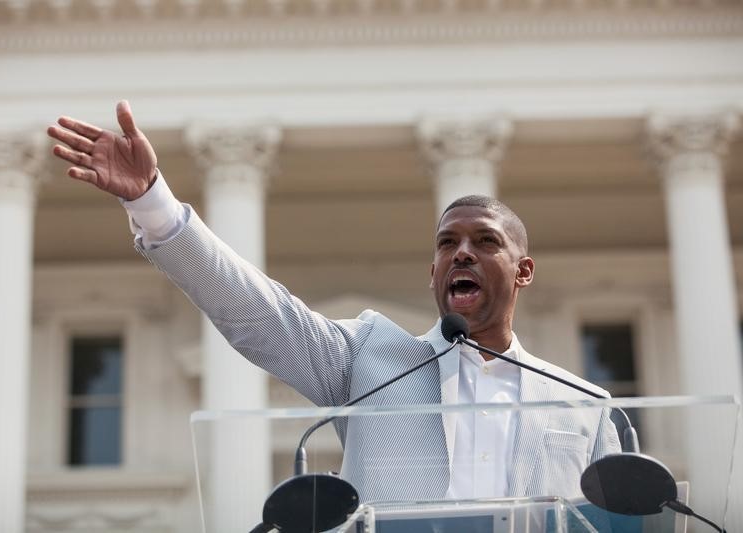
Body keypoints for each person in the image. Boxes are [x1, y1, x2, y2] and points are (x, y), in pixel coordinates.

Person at [47, 101, 621, 503]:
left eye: (485, 242)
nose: (462, 254)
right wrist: (154, 204)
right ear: (433, 273)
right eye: (448, 244)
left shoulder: (584, 405)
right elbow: (256, 311)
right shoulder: (370, 360)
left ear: (523, 272)